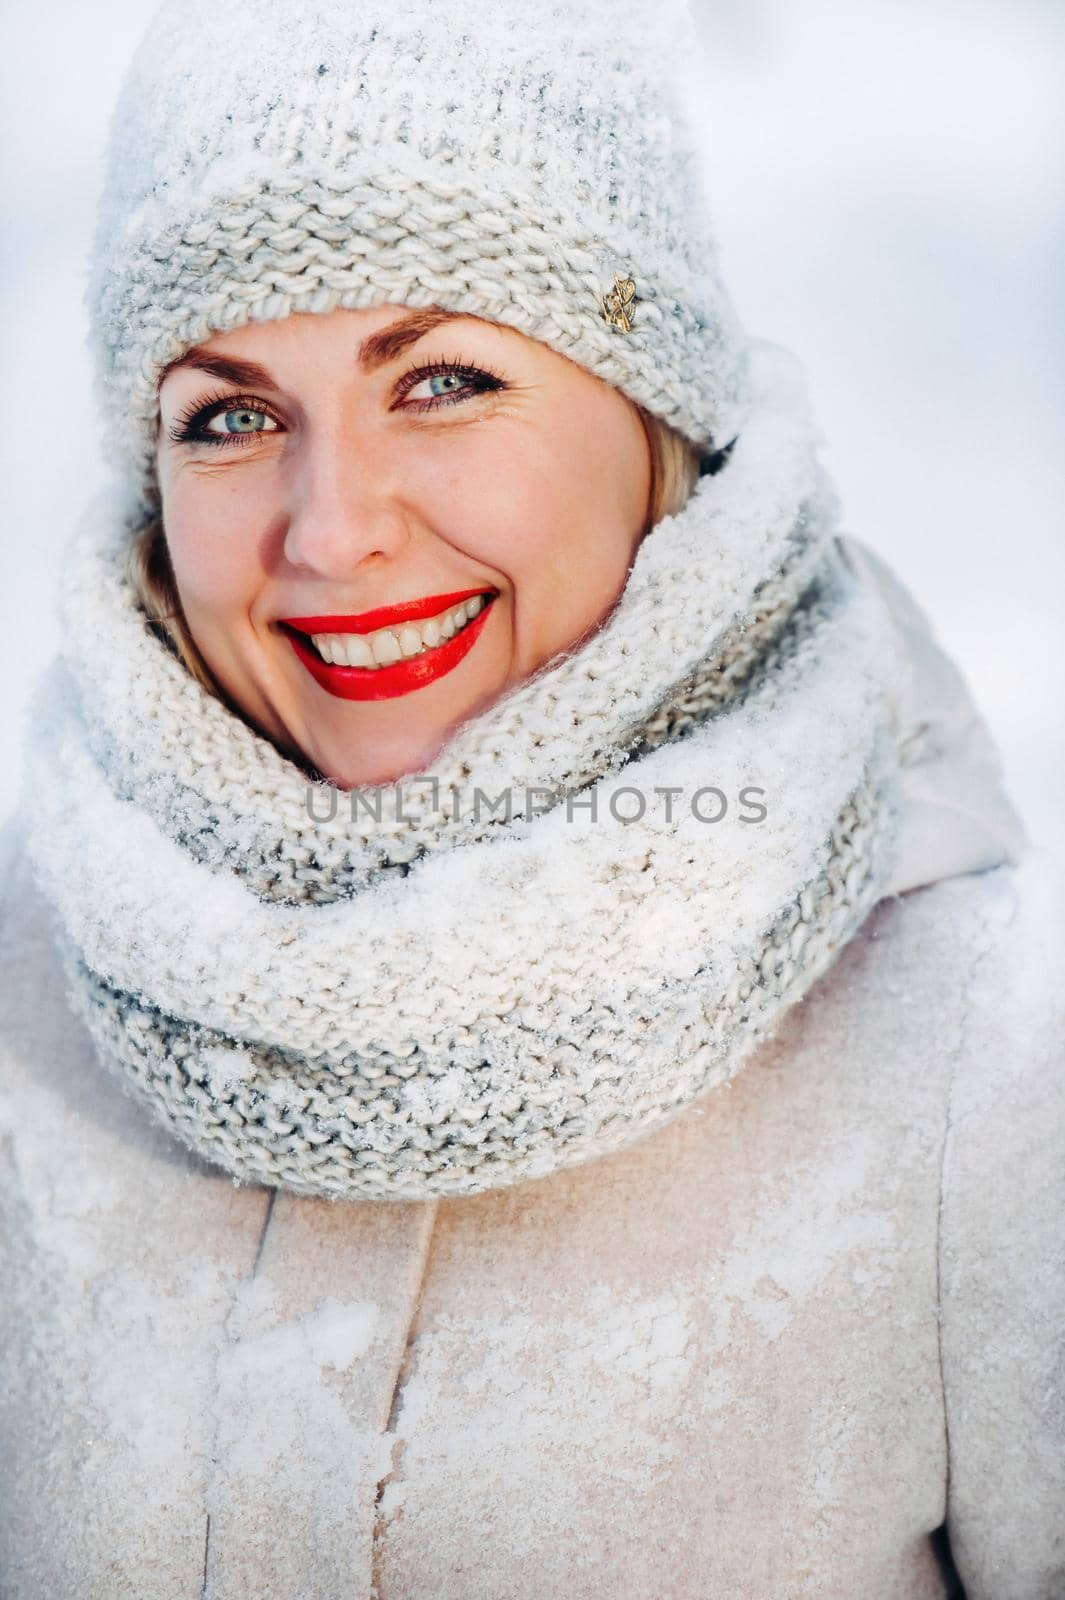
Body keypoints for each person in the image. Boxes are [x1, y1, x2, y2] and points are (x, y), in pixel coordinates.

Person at [1, 2, 1061, 1596]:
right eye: (229, 417)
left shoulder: (981, 1049)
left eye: (439, 382)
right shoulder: (28, 998)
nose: (330, 528)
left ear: (654, 425)